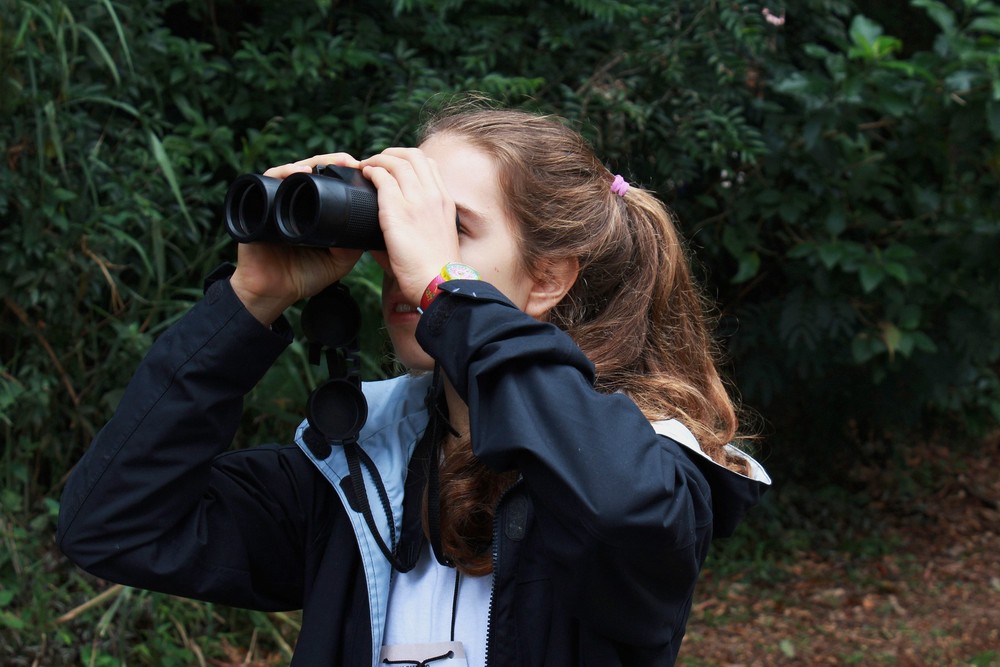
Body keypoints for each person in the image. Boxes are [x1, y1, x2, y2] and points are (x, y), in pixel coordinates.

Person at [58, 101, 770, 666]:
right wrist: (250, 297)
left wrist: (446, 289)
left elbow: (619, 507)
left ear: (548, 277)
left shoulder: (649, 461)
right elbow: (114, 524)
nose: (403, 260)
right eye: (394, 227)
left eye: (448, 228)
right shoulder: (352, 464)